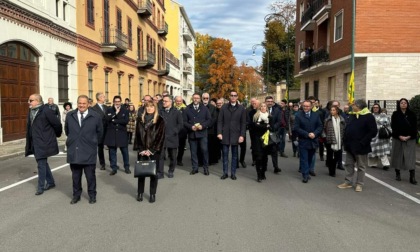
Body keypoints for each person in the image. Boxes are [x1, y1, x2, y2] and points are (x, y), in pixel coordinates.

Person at [65, 95, 103, 204]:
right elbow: (67, 130)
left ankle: (92, 195)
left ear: (88, 104)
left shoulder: (95, 116)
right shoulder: (70, 115)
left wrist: (92, 142)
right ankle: (76, 195)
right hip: (74, 150)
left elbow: (100, 132)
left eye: (84, 103)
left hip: (89, 151)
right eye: (79, 103)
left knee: (90, 176)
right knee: (75, 176)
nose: (81, 105)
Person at [25, 94, 62, 195]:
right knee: (43, 163)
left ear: (37, 101)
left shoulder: (46, 110)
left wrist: (56, 135)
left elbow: (57, 124)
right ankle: (50, 182)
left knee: (41, 163)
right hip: (34, 142)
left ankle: (40, 187)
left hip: (43, 142)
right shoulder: (31, 111)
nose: (29, 102)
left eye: (31, 100)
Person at [337, 99, 377, 192]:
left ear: (358, 106)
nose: (352, 106)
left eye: (354, 105)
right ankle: (348, 181)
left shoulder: (368, 116)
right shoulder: (352, 115)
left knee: (361, 166)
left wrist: (363, 142)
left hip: (361, 146)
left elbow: (373, 132)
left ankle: (359, 184)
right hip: (350, 145)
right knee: (349, 164)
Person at [134, 101, 165, 203]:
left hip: (154, 151)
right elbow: (137, 136)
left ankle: (152, 194)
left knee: (153, 174)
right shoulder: (140, 119)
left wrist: (151, 150)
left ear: (155, 108)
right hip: (142, 151)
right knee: (141, 173)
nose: (149, 108)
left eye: (151, 107)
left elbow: (160, 137)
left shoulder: (160, 120)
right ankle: (140, 193)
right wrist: (141, 149)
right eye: (147, 107)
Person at [217, 90, 247, 180]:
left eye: (235, 95)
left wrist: (242, 135)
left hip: (236, 135)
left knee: (234, 156)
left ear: (237, 97)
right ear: (229, 97)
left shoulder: (241, 108)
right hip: (225, 134)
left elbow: (243, 123)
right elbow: (220, 121)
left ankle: (233, 173)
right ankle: (225, 173)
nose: (233, 97)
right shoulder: (224, 107)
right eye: (231, 95)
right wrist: (219, 133)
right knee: (225, 155)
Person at [294, 100, 323, 183]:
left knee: (310, 158)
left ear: (311, 106)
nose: (306, 108)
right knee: (304, 158)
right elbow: (296, 128)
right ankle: (305, 175)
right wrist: (307, 134)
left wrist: (315, 133)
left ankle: (307, 171)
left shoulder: (316, 115)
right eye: (304, 106)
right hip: (303, 140)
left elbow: (320, 126)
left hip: (313, 140)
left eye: (307, 106)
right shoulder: (299, 115)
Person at [183, 93, 212, 175]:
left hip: (202, 133)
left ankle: (206, 168)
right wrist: (190, 127)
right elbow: (184, 121)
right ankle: (195, 168)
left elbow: (209, 119)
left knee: (204, 151)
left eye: (197, 98)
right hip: (192, 133)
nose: (196, 99)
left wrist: (202, 126)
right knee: (193, 152)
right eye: (194, 98)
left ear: (200, 99)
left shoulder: (205, 108)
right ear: (192, 99)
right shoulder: (187, 108)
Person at [391, 98, 417, 185]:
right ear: (399, 104)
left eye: (405, 103)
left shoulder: (412, 114)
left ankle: (412, 176)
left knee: (410, 157)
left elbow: (415, 127)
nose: (403, 104)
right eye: (401, 103)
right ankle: (397, 173)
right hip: (398, 138)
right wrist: (399, 136)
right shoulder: (395, 114)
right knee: (397, 156)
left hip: (410, 138)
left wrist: (409, 136)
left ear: (407, 104)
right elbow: (393, 126)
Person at [104, 95, 131, 175]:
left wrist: (114, 120)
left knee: (125, 152)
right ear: (113, 102)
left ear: (121, 102)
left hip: (122, 134)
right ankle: (114, 168)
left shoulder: (125, 110)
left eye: (118, 101)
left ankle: (127, 167)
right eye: (116, 101)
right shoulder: (109, 110)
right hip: (111, 134)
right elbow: (107, 119)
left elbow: (125, 121)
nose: (117, 103)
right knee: (112, 152)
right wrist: (115, 113)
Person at [159, 95, 183, 178]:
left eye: (166, 101)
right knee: (161, 156)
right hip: (161, 138)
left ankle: (171, 170)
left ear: (171, 102)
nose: (164, 102)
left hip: (172, 137)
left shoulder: (177, 112)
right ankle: (160, 172)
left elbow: (180, 124)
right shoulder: (160, 111)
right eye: (163, 101)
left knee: (173, 156)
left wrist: (175, 131)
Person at [251, 102, 273, 182]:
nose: (263, 107)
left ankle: (263, 172)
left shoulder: (269, 117)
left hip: (266, 140)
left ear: (266, 108)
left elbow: (271, 127)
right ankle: (258, 174)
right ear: (259, 108)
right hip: (257, 139)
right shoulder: (256, 116)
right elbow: (254, 127)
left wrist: (261, 126)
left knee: (265, 158)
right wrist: (265, 126)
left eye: (265, 106)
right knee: (258, 157)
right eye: (262, 106)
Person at [324, 106, 345, 177]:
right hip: (330, 140)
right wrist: (325, 137)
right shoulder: (328, 120)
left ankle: (334, 167)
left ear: (337, 111)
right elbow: (324, 129)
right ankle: (331, 171)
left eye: (333, 110)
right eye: (331, 110)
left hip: (339, 141)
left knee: (337, 156)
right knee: (330, 156)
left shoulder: (342, 120)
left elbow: (344, 129)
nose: (332, 111)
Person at [368, 103, 391, 170]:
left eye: (377, 107)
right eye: (374, 107)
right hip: (372, 135)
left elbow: (388, 123)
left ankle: (385, 164)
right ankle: (373, 164)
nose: (375, 108)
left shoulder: (383, 115)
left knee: (382, 150)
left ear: (379, 108)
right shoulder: (370, 116)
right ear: (372, 108)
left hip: (381, 135)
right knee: (373, 150)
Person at [91, 92, 109, 170]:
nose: (104, 98)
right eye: (103, 97)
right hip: (99, 130)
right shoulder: (93, 108)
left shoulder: (107, 107)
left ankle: (113, 164)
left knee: (111, 147)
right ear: (99, 98)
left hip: (107, 130)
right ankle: (102, 164)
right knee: (100, 148)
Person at [264, 96, 281, 174]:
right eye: (268, 101)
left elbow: (279, 121)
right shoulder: (262, 110)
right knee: (264, 151)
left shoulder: (277, 110)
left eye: (271, 101)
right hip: (264, 134)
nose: (270, 102)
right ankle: (264, 166)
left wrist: (273, 127)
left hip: (273, 134)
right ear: (265, 102)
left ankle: (276, 167)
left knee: (274, 151)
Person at [202, 93, 219, 165]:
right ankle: (202, 161)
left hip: (210, 130)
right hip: (201, 130)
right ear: (202, 98)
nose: (205, 99)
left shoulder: (213, 107)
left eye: (207, 98)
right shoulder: (199, 106)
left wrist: (207, 126)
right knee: (202, 147)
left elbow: (214, 118)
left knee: (210, 146)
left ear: (209, 99)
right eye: (204, 98)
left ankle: (210, 160)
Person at [174, 96, 188, 166]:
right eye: (177, 101)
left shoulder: (186, 108)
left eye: (180, 101)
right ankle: (173, 159)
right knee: (173, 146)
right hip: (173, 131)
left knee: (181, 147)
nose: (178, 102)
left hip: (182, 131)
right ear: (175, 101)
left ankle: (179, 160)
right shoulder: (172, 108)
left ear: (182, 101)